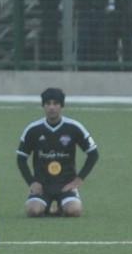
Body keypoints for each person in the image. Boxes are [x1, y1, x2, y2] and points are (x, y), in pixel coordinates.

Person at [17, 87, 99, 218]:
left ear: (62, 106)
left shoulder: (74, 127)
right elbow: (21, 158)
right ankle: (47, 205)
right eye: (48, 104)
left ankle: (62, 205)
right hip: (42, 185)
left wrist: (78, 180)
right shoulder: (33, 129)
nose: (51, 107)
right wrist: (32, 182)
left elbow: (93, 153)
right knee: (33, 211)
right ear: (43, 106)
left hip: (66, 184)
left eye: (55, 104)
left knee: (74, 211)